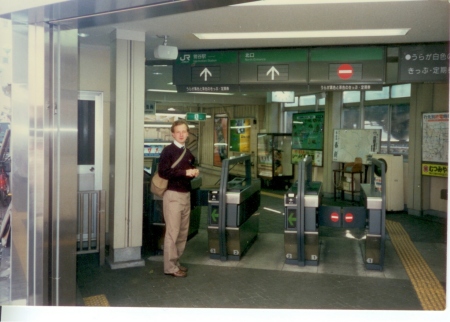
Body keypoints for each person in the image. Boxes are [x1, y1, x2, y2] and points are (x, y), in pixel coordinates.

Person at [158, 119, 199, 277]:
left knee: (183, 232)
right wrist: (185, 173)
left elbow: (187, 174)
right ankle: (169, 267)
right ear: (173, 134)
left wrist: (193, 172)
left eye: (184, 131)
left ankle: (176, 262)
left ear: (187, 133)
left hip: (185, 195)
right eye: (178, 132)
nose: (181, 134)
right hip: (173, 195)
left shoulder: (188, 153)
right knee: (172, 232)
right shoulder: (168, 151)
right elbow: (163, 172)